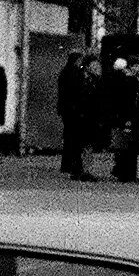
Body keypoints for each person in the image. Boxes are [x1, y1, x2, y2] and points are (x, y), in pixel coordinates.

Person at [57, 51, 91, 180]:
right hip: (74, 109)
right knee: (75, 138)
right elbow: (77, 91)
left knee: (68, 136)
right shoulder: (76, 73)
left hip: (66, 109)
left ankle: (66, 163)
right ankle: (74, 164)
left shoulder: (64, 72)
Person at [107, 57, 139, 183]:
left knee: (123, 144)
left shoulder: (121, 79)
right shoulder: (131, 80)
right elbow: (133, 101)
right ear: (132, 66)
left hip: (122, 117)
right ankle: (129, 173)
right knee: (130, 144)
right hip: (130, 116)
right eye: (137, 65)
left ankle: (122, 171)